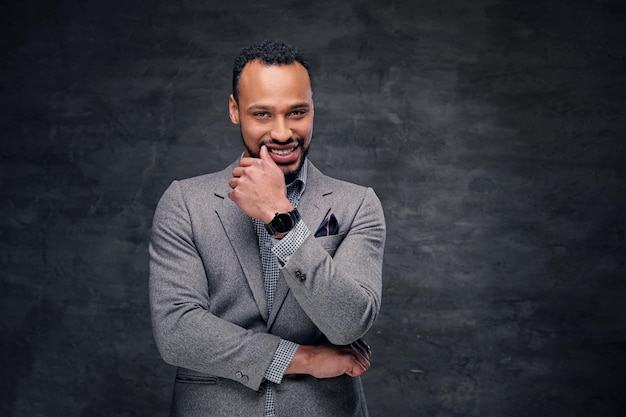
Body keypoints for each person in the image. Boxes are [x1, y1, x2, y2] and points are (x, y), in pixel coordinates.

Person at [149, 39, 386, 417]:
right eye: (262, 114)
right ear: (234, 110)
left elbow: (348, 324)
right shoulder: (185, 203)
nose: (281, 133)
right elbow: (178, 333)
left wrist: (280, 215)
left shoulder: (357, 205)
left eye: (297, 112)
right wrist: (303, 358)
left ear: (313, 109)